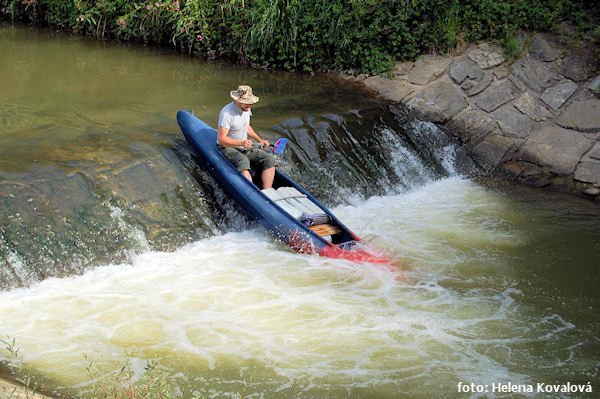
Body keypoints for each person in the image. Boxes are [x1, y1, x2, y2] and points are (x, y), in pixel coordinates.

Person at [217, 85, 278, 189]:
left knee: (269, 159)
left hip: (243, 146)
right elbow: (221, 139)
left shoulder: (246, 108)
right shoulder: (227, 114)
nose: (249, 105)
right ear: (238, 101)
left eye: (250, 102)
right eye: (247, 102)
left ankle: (267, 192)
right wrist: (241, 143)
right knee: (244, 161)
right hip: (227, 147)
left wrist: (259, 140)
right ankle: (251, 193)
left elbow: (246, 126)